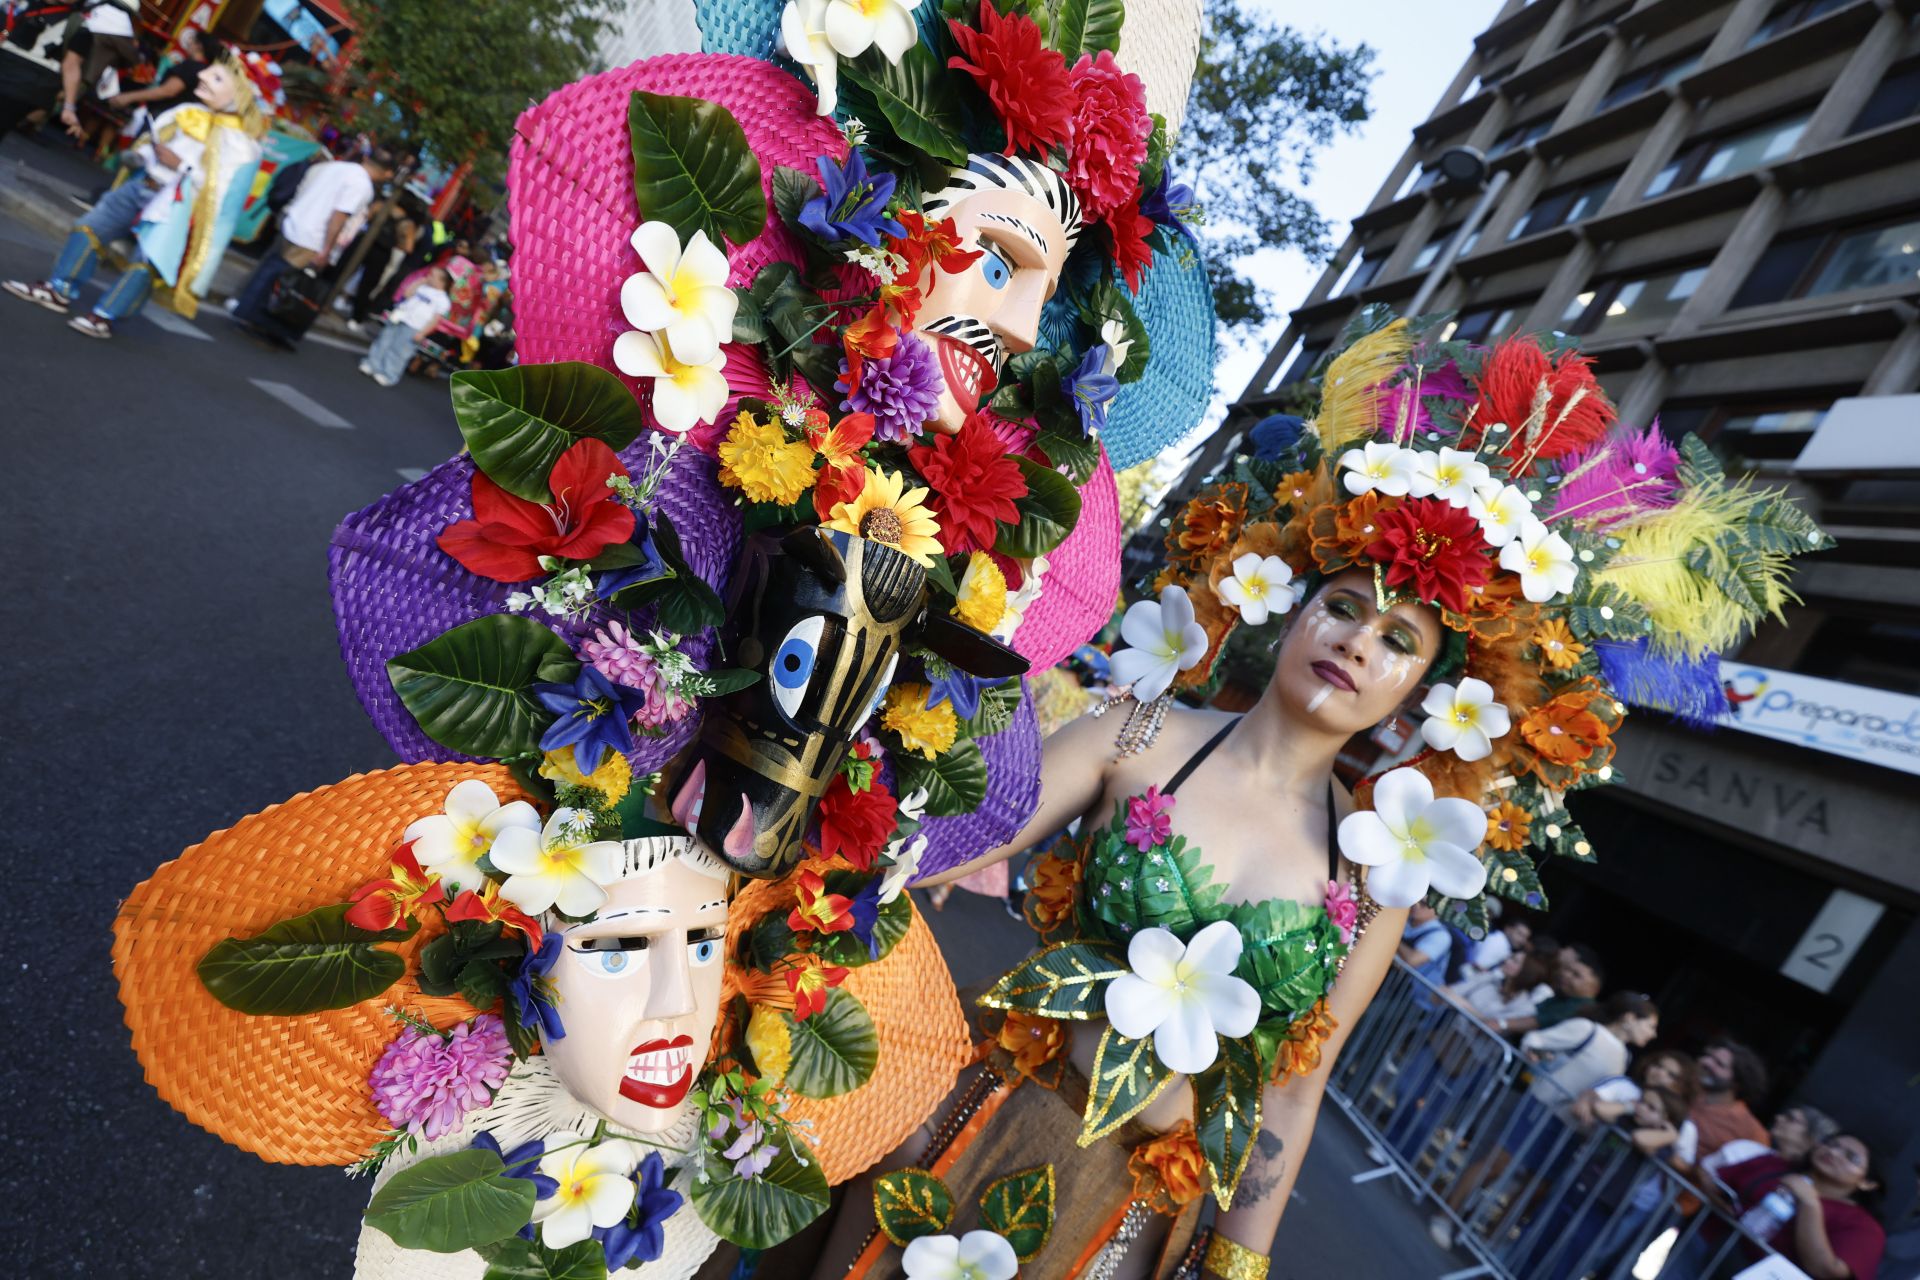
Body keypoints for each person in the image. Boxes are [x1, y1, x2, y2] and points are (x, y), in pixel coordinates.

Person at [3, 55, 265, 336]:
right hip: (141, 186)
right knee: (88, 228)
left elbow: (220, 195)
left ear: (240, 95)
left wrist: (182, 166)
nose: (202, 78)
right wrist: (142, 155)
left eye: (217, 78)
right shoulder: (188, 110)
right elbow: (152, 142)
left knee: (147, 262)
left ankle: (106, 316)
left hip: (175, 207)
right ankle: (59, 289)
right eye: (208, 73)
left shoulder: (243, 147)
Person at [230, 143, 396, 346]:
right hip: (312, 236)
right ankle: (257, 319)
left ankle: (248, 312)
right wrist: (327, 249)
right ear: (387, 173)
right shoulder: (362, 185)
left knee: (271, 271)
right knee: (284, 282)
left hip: (294, 221)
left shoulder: (336, 167)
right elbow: (339, 216)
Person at [1684, 1133, 1886, 1280]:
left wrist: (1809, 1204)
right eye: (1830, 1144)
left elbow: (1826, 1270)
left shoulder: (1864, 1227)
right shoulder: (1776, 1165)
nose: (1833, 1152)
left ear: (1867, 1183)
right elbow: (1713, 1180)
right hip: (1698, 1251)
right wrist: (1725, 1208)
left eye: (1850, 1157)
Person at [359, 264, 450, 386]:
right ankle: (371, 364)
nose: (429, 276)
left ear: (442, 281)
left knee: (399, 351)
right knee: (384, 341)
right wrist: (419, 282)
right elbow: (407, 294)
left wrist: (422, 333)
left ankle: (389, 374)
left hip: (414, 326)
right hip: (400, 317)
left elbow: (435, 320)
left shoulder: (443, 300)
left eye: (433, 275)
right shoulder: (423, 287)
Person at [1691, 1038, 1773, 1166]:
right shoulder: (1685, 1089)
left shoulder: (1751, 1131)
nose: (1705, 1062)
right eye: (1708, 1056)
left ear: (1737, 1083)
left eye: (1719, 1064)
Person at [1499, 941, 1605, 1037]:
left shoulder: (1583, 1008)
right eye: (1568, 970)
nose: (1566, 975)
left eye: (1576, 975)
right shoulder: (1562, 997)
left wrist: (1500, 1024)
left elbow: (1535, 1021)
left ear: (1594, 986)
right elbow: (1530, 1013)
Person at [1467, 916, 1531, 973]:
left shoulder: (1502, 942)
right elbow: (1476, 966)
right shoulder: (1498, 942)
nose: (1522, 940)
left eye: (1525, 937)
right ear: (1508, 929)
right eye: (1520, 934)